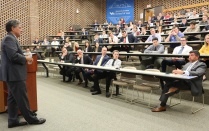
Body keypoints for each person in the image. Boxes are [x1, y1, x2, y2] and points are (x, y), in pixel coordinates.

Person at [0, 20, 46, 128]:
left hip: (12, 74)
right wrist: (26, 58)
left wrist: (25, 56)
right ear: (13, 28)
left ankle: (13, 120)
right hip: (14, 74)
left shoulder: (11, 39)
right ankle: (31, 119)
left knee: (12, 98)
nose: (22, 29)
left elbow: (14, 54)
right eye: (20, 27)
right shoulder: (9, 39)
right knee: (22, 98)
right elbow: (13, 56)